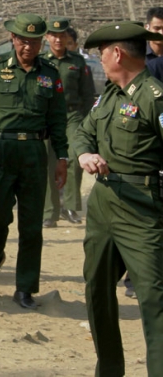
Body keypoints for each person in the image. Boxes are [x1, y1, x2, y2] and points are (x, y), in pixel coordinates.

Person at [74, 21, 163, 377]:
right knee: (96, 289)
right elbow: (83, 132)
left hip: (142, 208)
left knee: (154, 298)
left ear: (117, 53)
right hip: (103, 204)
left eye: (102, 52)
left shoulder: (154, 97)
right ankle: (109, 369)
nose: (101, 59)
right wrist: (84, 155)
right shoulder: (108, 96)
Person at [0, 13, 68, 310]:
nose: (28, 47)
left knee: (31, 227)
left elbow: (57, 120)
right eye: (23, 41)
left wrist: (62, 157)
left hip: (34, 155)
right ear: (13, 39)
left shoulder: (50, 74)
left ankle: (25, 288)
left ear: (42, 42)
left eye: (34, 42)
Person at [41, 17, 95, 228]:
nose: (57, 39)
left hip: (72, 116)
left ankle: (71, 206)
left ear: (67, 38)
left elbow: (88, 94)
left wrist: (87, 121)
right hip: (47, 117)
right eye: (53, 35)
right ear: (47, 37)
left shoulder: (77, 62)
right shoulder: (42, 62)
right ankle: (49, 211)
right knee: (48, 162)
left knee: (74, 157)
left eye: (62, 35)